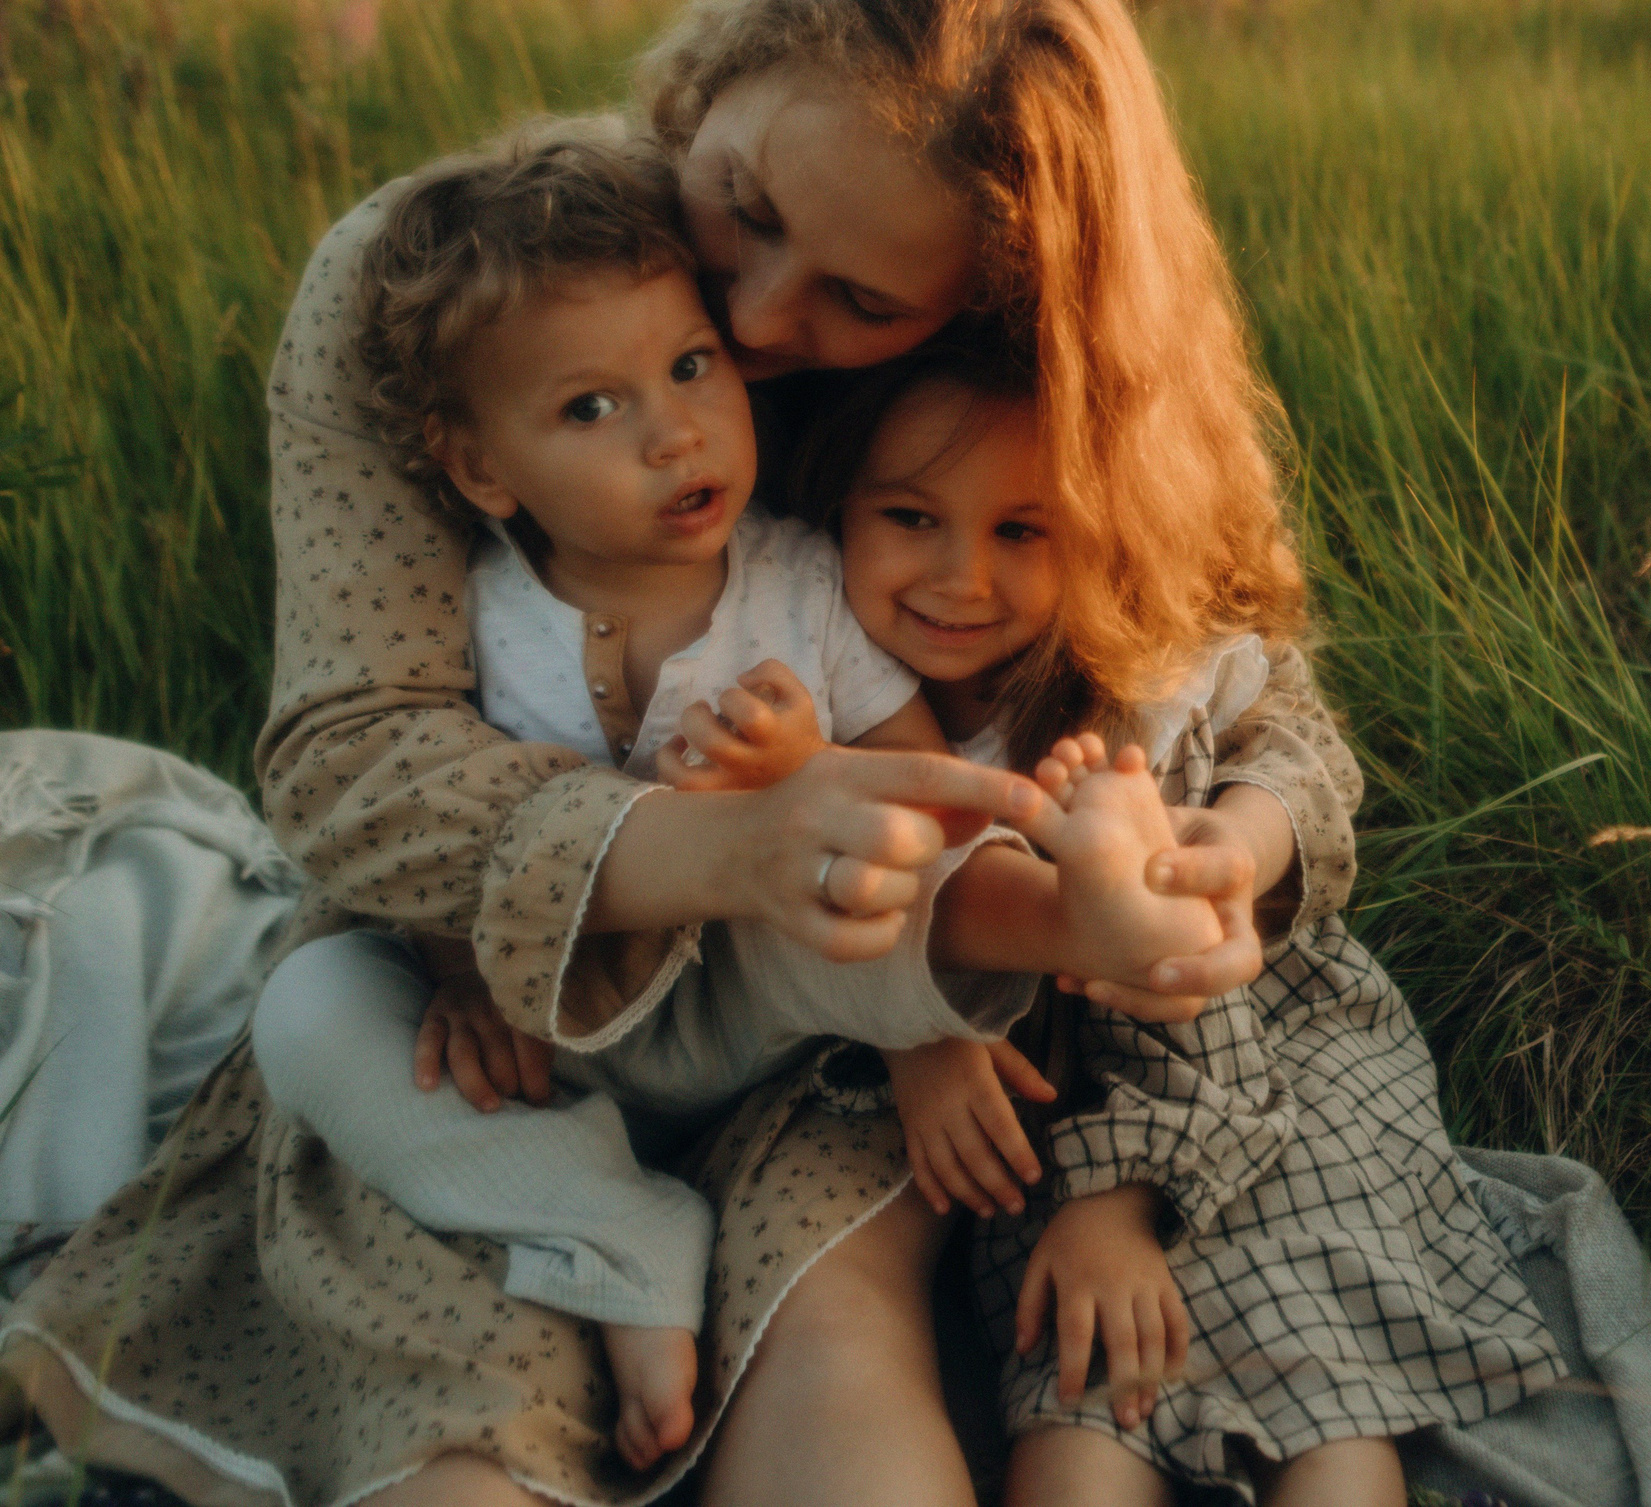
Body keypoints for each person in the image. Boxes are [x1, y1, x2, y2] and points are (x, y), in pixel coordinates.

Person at [0, 0, 1323, 1507]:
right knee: (458, 1376)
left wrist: (1212, 858)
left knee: (834, 1316)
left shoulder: (1007, 388)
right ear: (714, 76)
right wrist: (724, 849)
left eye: (860, 304)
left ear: (980, 300)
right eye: (744, 208)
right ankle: (567, 1283)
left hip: (858, 1018)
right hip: (489, 988)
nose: (762, 324)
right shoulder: (465, 280)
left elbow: (1238, 687)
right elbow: (352, 761)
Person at [240, 121, 1239, 1475]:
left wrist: (920, 1026)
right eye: (590, 409)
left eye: (692, 367)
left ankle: (1087, 911)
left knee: (862, 862)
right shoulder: (481, 614)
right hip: (549, 1039)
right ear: (482, 468)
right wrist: (452, 967)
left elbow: (930, 791)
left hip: (762, 998)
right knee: (306, 1009)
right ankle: (613, 1230)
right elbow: (433, 817)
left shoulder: (798, 584)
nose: (673, 432)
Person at [700, 349, 1568, 1507]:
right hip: (1059, 1093)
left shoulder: (1136, 680)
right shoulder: (820, 697)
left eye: (1024, 532)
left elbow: (1301, 763)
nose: (960, 576)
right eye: (910, 517)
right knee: (1088, 1399)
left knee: (1314, 1373)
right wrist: (921, 1037)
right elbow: (833, 914)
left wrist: (1238, 849)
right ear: (833, 512)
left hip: (1266, 1050)